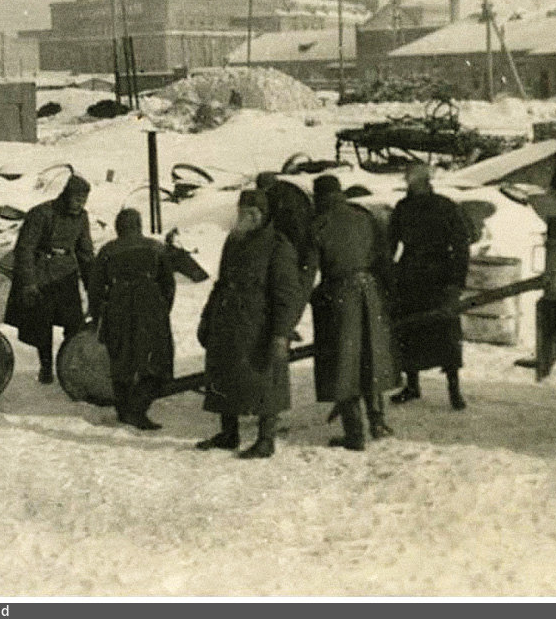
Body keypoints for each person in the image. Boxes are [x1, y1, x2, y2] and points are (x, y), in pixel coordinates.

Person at [195, 190, 305, 459]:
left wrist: (280, 333)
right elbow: (221, 282)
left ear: (262, 214)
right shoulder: (234, 240)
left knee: (265, 378)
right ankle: (228, 434)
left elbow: (286, 295)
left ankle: (266, 439)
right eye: (242, 209)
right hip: (227, 319)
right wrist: (207, 317)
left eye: (251, 211)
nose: (245, 215)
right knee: (224, 373)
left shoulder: (278, 246)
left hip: (258, 324)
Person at [308, 175, 396, 450]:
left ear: (318, 197)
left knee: (343, 363)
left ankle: (355, 434)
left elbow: (307, 272)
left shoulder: (318, 224)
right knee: (371, 356)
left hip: (339, 295)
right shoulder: (365, 217)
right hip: (370, 291)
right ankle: (378, 422)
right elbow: (384, 257)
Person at [387, 164, 471, 410]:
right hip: (420, 277)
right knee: (413, 331)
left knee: (442, 334)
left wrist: (456, 282)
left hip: (431, 277)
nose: (409, 186)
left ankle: (453, 391)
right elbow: (390, 244)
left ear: (422, 182)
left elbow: (461, 247)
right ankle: (416, 386)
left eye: (411, 182)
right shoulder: (409, 207)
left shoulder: (441, 207)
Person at [89, 208, 175, 431]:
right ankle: (137, 410)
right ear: (139, 225)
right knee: (156, 360)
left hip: (118, 306)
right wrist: (162, 309)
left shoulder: (107, 250)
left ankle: (123, 409)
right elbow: (169, 284)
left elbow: (95, 287)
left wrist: (99, 315)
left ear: (118, 228)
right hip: (150, 307)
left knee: (121, 359)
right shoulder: (156, 247)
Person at [4, 174, 94, 384]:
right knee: (41, 327)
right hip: (41, 274)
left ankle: (69, 367)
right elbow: (25, 249)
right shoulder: (42, 213)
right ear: (66, 195)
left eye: (83, 200)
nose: (79, 204)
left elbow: (85, 252)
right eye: (76, 199)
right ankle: (46, 367)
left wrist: (93, 284)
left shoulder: (82, 217)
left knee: (75, 324)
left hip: (66, 275)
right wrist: (28, 283)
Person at [255, 171, 316, 297]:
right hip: (304, 231)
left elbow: (276, 220)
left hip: (293, 236)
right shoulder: (289, 189)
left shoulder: (276, 196)